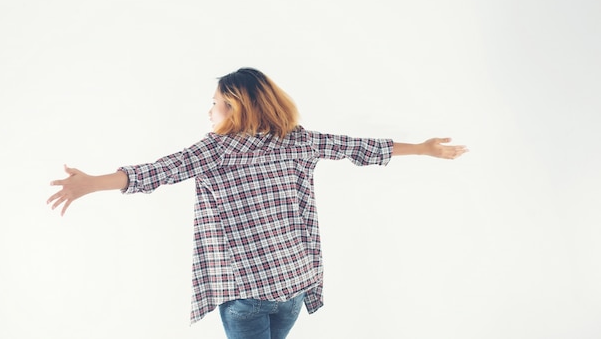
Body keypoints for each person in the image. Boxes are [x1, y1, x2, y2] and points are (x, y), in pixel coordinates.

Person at [47, 67, 468, 339]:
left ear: (234, 107)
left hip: (246, 292)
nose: (209, 111)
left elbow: (154, 172)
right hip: (294, 285)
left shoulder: (215, 150)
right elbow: (361, 147)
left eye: (214, 103)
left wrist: (91, 184)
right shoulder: (297, 141)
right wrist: (424, 148)